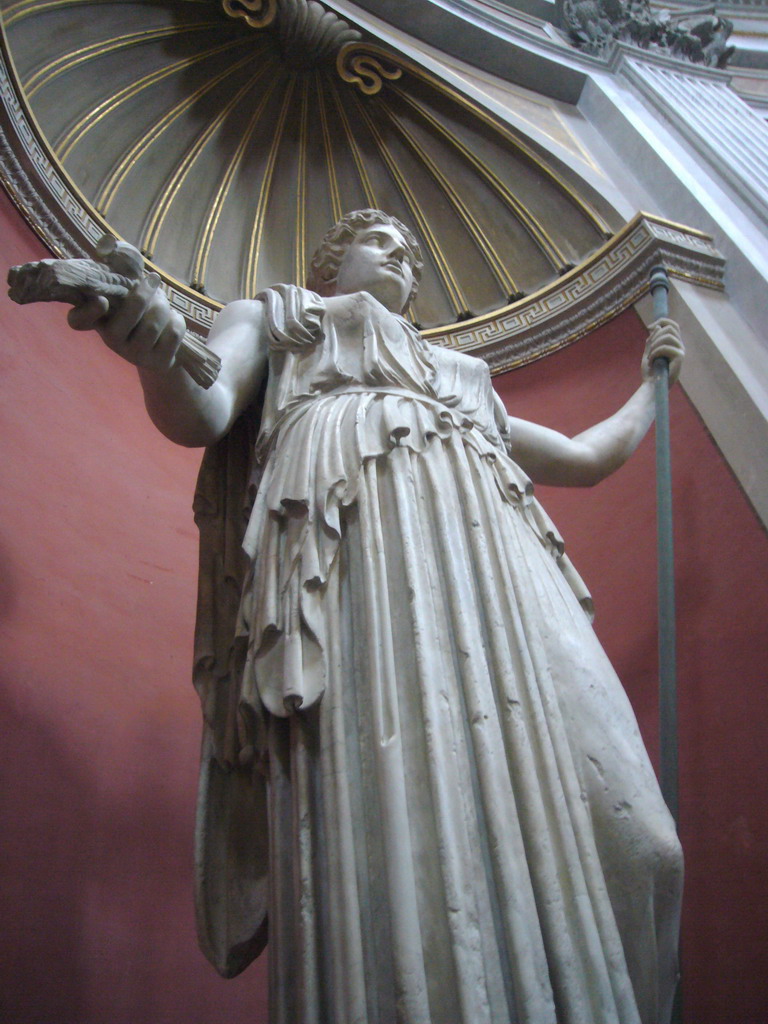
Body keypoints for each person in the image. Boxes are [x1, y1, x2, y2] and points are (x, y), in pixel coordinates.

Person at [69, 209, 684, 1024]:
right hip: (353, 528)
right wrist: (152, 342)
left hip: (496, 551)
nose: (406, 257)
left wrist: (652, 383)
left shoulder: (462, 375)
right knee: (400, 803)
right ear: (332, 260)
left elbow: (586, 458)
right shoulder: (286, 315)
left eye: (414, 251)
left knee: (645, 845)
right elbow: (204, 413)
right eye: (384, 242)